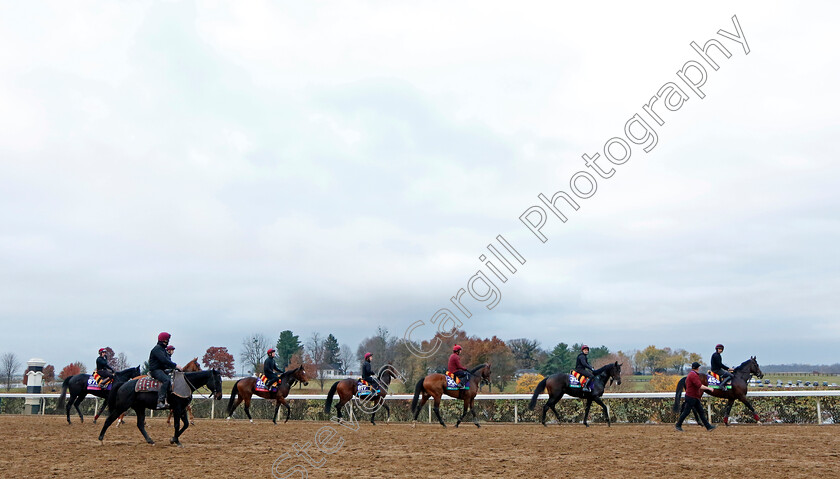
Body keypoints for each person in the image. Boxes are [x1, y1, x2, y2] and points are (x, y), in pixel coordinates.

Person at [675, 362, 716, 431]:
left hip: (694, 397)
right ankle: (678, 425)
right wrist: (709, 388)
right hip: (691, 397)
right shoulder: (693, 375)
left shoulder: (692, 374)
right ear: (697, 368)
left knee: (701, 412)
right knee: (686, 412)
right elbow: (699, 386)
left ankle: (708, 427)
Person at [149, 332, 180, 410]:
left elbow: (166, 363)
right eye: (167, 340)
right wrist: (175, 365)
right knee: (166, 380)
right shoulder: (157, 349)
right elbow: (164, 360)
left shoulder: (162, 349)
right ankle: (160, 401)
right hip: (155, 370)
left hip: (162, 370)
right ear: (163, 340)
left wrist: (174, 369)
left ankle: (169, 400)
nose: (168, 342)